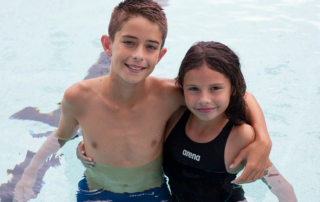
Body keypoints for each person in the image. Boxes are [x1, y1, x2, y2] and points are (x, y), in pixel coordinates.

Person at [14, 0, 272, 201]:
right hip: (95, 193)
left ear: (160, 55)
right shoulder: (78, 97)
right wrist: (30, 174)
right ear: (108, 45)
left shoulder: (170, 94)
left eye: (150, 47)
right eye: (129, 42)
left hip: (153, 194)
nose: (138, 55)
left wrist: (263, 139)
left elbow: (239, 95)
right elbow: (60, 136)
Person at [78, 41, 298, 202]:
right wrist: (88, 149)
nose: (204, 99)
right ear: (181, 87)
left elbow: (281, 188)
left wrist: (264, 141)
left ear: (233, 89)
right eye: (193, 89)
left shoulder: (240, 137)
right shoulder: (173, 119)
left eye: (215, 88)